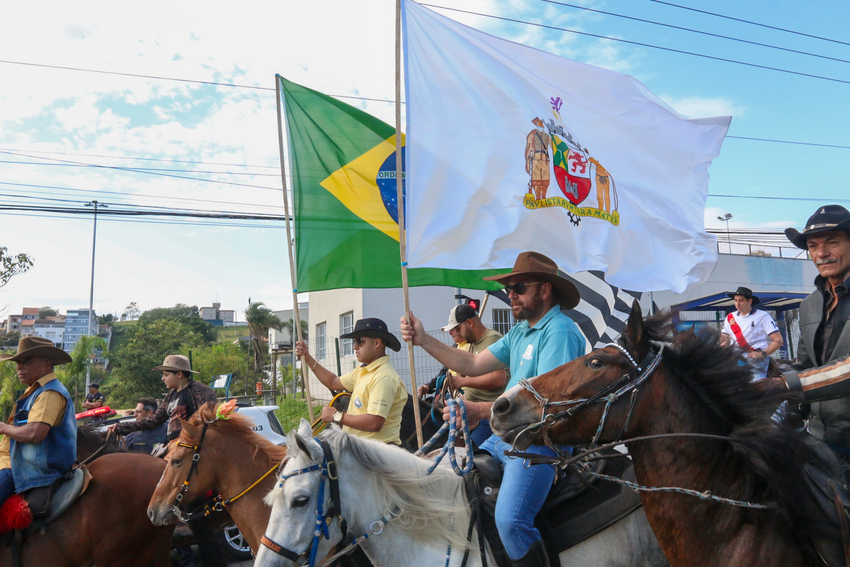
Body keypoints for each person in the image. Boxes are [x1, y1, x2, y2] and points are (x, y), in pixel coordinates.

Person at [401, 251, 586, 567]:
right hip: (504, 440)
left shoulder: (560, 330)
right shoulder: (520, 331)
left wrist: (479, 411)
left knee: (511, 522)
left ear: (545, 290)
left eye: (519, 287)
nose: (511, 294)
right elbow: (472, 363)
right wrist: (422, 339)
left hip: (539, 444)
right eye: (509, 288)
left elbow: (548, 404)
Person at [778, 205, 850, 479]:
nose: (821, 253)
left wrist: (782, 384)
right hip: (822, 440)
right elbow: (805, 365)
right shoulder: (809, 305)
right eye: (813, 245)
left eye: (832, 241)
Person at [295, 318, 407, 445]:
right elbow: (333, 382)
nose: (354, 347)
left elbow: (374, 422)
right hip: (361, 448)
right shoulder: (364, 371)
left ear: (377, 343)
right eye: (354, 342)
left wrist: (337, 416)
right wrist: (308, 358)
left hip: (376, 453)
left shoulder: (383, 377)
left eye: (360, 341)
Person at [0, 337, 76, 508]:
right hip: (14, 463)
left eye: (27, 361)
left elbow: (34, 433)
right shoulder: (35, 390)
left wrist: (4, 428)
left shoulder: (49, 393)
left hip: (28, 470)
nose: (19, 366)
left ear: (47, 363)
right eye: (18, 362)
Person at [418, 303, 508, 445]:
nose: (453, 333)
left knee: (474, 455)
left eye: (458, 328)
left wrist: (462, 382)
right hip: (470, 410)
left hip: (486, 415)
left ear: (470, 323)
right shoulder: (473, 342)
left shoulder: (492, 339)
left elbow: (499, 378)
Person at [109, 355, 217, 442]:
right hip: (173, 444)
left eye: (166, 374)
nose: (162, 378)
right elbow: (154, 420)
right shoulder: (170, 395)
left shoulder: (199, 391)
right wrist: (121, 427)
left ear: (179, 374)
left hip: (192, 446)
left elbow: (211, 421)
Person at [721, 286, 783, 380]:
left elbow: (778, 341)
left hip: (755, 359)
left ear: (749, 301)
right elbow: (725, 336)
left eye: (741, 300)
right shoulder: (730, 317)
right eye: (736, 300)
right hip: (734, 358)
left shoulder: (763, 316)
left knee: (756, 389)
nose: (737, 304)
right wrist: (723, 344)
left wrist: (762, 354)